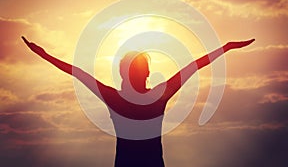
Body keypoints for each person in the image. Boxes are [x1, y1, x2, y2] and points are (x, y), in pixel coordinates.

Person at [22, 36, 254, 167]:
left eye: (139, 69)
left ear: (145, 74)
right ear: (125, 74)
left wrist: (225, 48)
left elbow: (193, 66)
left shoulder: (150, 96)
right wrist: (44, 55)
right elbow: (77, 73)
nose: (136, 74)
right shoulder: (122, 97)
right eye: (133, 69)